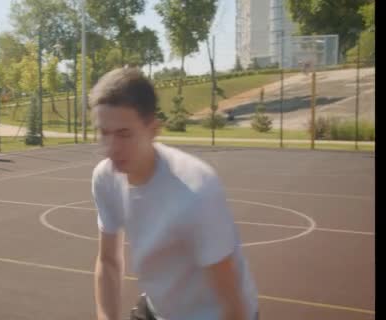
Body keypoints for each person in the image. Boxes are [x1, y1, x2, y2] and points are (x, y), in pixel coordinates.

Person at [90, 67, 259, 320]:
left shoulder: (195, 191)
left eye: (124, 134)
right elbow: (109, 262)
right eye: (104, 133)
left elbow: (230, 300)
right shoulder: (105, 177)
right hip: (159, 307)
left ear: (153, 129)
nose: (111, 148)